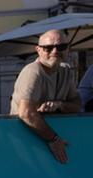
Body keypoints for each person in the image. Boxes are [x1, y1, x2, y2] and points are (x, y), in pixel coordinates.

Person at [11, 29, 81, 164]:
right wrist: (54, 139)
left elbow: (77, 105)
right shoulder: (33, 71)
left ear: (68, 49)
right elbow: (26, 113)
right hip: (26, 141)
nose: (55, 51)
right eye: (48, 48)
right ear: (38, 50)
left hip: (47, 140)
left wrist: (59, 105)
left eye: (61, 47)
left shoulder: (66, 70)